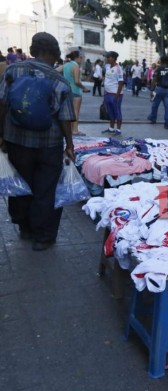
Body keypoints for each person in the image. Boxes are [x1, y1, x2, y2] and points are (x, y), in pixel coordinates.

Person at [0, 32, 76, 251]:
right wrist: (69, 146)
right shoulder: (59, 81)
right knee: (46, 189)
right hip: (49, 145)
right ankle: (43, 237)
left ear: (33, 50)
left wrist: (2, 135)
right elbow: (65, 118)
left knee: (21, 184)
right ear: (53, 53)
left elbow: (2, 104)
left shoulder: (13, 71)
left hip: (16, 140)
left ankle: (25, 228)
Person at [63, 50, 90, 136]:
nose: (82, 60)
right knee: (75, 112)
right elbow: (77, 81)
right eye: (81, 58)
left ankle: (70, 129)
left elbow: (55, 70)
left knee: (69, 111)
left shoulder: (66, 65)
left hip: (67, 91)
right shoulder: (76, 67)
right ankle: (75, 130)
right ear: (78, 58)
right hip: (76, 91)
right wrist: (84, 88)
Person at [147, 55, 168, 129]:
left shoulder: (159, 69)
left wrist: (152, 89)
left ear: (162, 61)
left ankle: (153, 118)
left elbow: (154, 79)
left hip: (159, 89)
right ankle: (167, 123)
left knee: (155, 105)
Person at [101, 51, 124, 136]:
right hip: (108, 93)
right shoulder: (107, 66)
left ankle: (118, 130)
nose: (107, 58)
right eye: (107, 57)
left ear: (113, 58)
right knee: (110, 112)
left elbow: (121, 83)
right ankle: (111, 128)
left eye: (108, 57)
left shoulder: (119, 69)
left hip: (115, 94)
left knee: (117, 112)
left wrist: (117, 96)